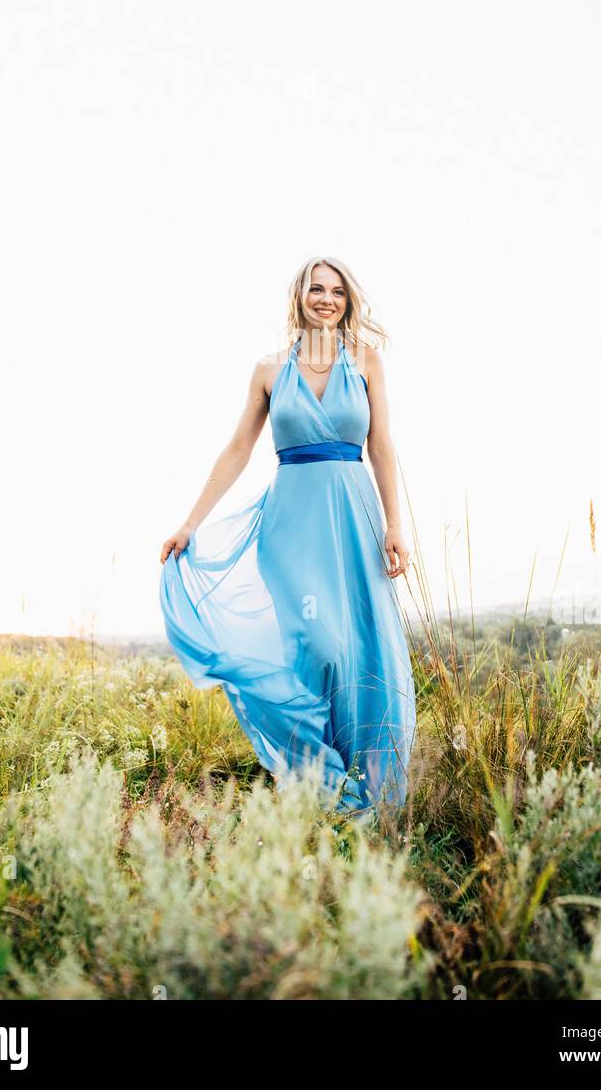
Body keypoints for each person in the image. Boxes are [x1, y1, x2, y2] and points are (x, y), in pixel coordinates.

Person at [159, 256, 417, 813]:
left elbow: (381, 446)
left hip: (354, 519)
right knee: (317, 644)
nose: (326, 298)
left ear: (348, 301)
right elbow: (237, 451)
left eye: (337, 291)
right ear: (298, 296)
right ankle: (312, 776)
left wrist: (395, 525)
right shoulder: (270, 371)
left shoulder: (367, 361)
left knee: (356, 648)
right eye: (315, 289)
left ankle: (360, 775)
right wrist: (190, 522)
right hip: (291, 529)